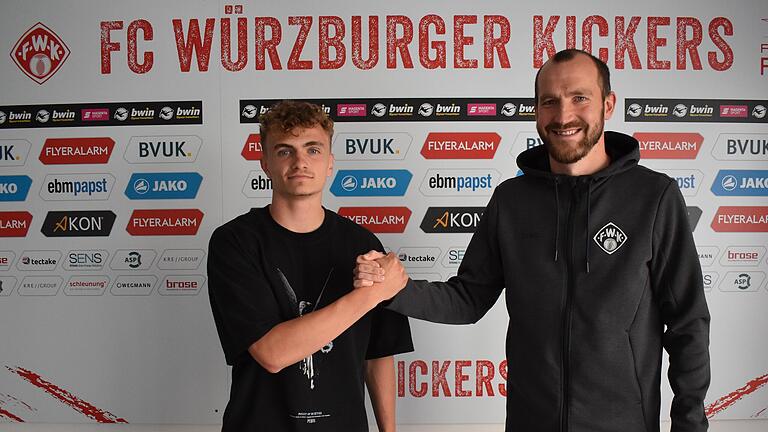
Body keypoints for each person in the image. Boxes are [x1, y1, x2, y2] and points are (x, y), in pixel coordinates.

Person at [356, 49, 711, 432]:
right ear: (536, 111)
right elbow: (468, 299)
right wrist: (398, 290)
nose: (563, 116)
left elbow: (687, 322)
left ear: (608, 103)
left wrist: (689, 425)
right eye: (549, 102)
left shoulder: (654, 197)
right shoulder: (511, 201)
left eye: (579, 98)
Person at [208, 100, 413, 432]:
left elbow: (378, 355)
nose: (300, 161)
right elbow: (272, 353)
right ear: (265, 163)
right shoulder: (234, 242)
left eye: (313, 150)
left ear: (330, 163)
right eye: (285, 151)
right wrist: (370, 296)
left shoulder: (363, 245)